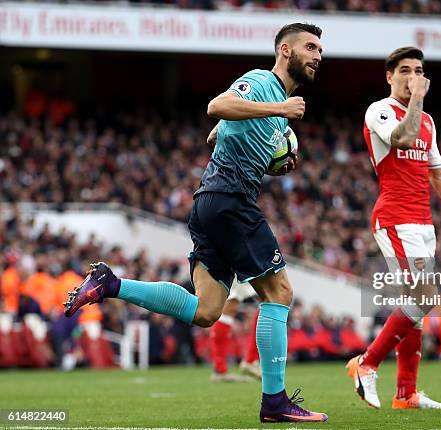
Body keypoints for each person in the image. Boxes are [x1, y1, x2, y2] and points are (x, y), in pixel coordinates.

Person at [63, 22, 327, 423]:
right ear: (285, 51)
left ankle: (110, 284)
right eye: (310, 47)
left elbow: (214, 134)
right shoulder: (262, 82)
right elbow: (217, 108)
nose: (317, 56)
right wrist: (278, 111)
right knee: (279, 294)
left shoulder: (274, 107)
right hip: (230, 199)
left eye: (320, 50)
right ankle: (274, 401)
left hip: (210, 202)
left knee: (206, 311)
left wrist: (268, 156)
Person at [346, 46, 441, 410]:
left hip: (423, 223)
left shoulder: (429, 122)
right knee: (424, 296)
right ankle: (366, 363)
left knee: (416, 306)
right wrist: (417, 101)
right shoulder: (380, 111)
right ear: (389, 76)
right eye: (404, 70)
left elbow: (439, 174)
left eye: (418, 71)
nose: (412, 78)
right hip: (394, 219)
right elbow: (402, 138)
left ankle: (406, 393)